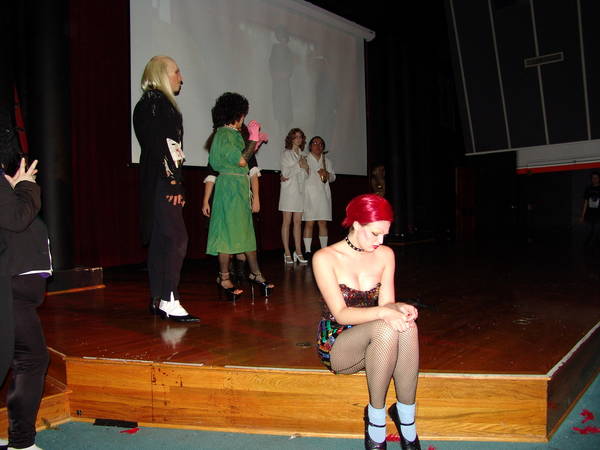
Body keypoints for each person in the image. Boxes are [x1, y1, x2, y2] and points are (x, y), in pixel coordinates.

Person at [313, 194, 421, 450]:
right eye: (374, 233)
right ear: (356, 224)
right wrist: (385, 313)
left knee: (407, 326)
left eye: (384, 235)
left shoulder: (385, 255)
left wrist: (399, 308)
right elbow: (341, 314)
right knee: (385, 326)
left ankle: (407, 420)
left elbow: (386, 304)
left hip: (377, 336)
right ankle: (376, 420)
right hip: (338, 341)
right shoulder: (325, 257)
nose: (380, 241)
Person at [132, 55, 199, 322]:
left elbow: (159, 145)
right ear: (162, 74)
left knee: (162, 239)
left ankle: (158, 298)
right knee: (176, 238)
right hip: (163, 180)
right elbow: (165, 146)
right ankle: (170, 298)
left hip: (156, 179)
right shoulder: (160, 104)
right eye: (176, 72)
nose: (181, 78)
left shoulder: (148, 103)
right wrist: (174, 182)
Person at [0, 154, 51, 450]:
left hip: (16, 290)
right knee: (31, 359)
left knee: (29, 358)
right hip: (11, 290)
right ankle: (21, 442)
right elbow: (16, 220)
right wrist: (25, 186)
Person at [206, 92, 273, 300]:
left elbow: (244, 160)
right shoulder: (224, 134)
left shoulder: (232, 135)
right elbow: (242, 160)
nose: (244, 118)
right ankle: (224, 277)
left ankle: (255, 273)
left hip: (239, 187)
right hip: (229, 189)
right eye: (243, 114)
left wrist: (254, 143)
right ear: (236, 114)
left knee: (245, 232)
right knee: (227, 233)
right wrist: (253, 139)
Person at [202, 124, 262, 287]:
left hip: (241, 196)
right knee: (226, 236)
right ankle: (226, 275)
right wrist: (205, 200)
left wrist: (256, 198)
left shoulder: (246, 149)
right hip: (224, 195)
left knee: (243, 235)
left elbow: (253, 174)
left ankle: (242, 273)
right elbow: (211, 176)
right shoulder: (219, 150)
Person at [278, 128, 309, 264]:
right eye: (296, 136)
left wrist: (305, 168)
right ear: (291, 139)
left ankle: (298, 251)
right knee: (287, 222)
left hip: (300, 192)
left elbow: (306, 175)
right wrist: (299, 165)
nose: (298, 139)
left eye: (300, 137)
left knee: (298, 223)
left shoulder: (304, 155)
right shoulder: (286, 154)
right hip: (289, 192)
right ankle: (287, 252)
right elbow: (285, 173)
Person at [303, 136, 335, 257]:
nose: (318, 145)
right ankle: (307, 251)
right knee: (309, 223)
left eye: (321, 144)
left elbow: (333, 177)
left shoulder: (327, 161)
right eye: (315, 143)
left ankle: (324, 250)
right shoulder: (305, 159)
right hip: (309, 195)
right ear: (310, 146)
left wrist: (327, 174)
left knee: (322, 223)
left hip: (323, 195)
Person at [580, 171, 600, 247]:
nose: (595, 179)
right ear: (591, 179)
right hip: (590, 213)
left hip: (598, 213)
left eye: (596, 178)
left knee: (597, 230)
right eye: (593, 178)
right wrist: (582, 216)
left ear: (599, 178)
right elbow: (585, 203)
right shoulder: (588, 189)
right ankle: (587, 245)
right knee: (590, 231)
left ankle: (594, 245)